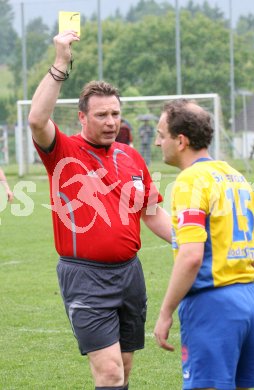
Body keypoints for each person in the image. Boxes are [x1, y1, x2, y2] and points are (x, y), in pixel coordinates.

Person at [28, 30, 171, 390]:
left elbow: (151, 211)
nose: (111, 121)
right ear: (82, 118)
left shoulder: (131, 156)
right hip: (85, 277)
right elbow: (36, 120)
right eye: (102, 115)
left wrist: (187, 240)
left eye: (116, 114)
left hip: (130, 275)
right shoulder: (63, 151)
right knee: (108, 372)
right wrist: (61, 63)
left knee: (123, 365)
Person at [154, 99, 254, 390]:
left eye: (161, 134)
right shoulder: (235, 176)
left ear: (180, 141)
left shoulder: (190, 181)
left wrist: (165, 312)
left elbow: (191, 257)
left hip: (214, 305)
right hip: (250, 300)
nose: (157, 143)